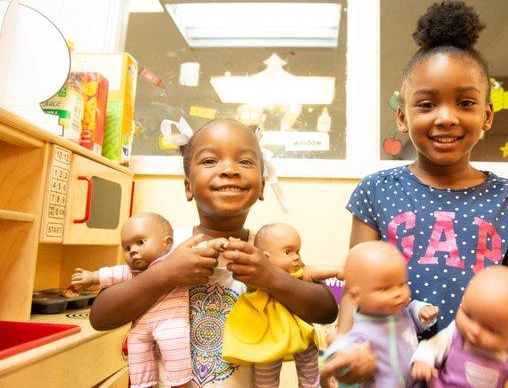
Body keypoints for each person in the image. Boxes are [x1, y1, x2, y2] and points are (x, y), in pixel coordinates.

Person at [321, 0, 508, 386]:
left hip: (475, 372)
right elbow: (355, 288)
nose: (446, 116)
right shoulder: (376, 191)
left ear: (487, 115)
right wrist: (346, 346)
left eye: (465, 103)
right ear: (403, 116)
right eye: (427, 104)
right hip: (389, 368)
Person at [89, 118, 338, 387]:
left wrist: (270, 277)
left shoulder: (269, 250)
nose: (229, 169)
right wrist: (166, 273)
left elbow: (325, 310)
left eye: (245, 161)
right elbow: (101, 316)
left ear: (263, 186)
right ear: (188, 186)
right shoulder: (165, 248)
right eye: (209, 161)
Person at [71, 212, 226, 388]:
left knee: (176, 351)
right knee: (138, 355)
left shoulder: (179, 255)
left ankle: (180, 383)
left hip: (170, 323)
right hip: (141, 327)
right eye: (127, 248)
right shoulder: (132, 273)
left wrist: (215, 244)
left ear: (167, 243)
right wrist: (90, 277)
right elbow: (108, 276)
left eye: (140, 242)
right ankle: (142, 384)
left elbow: (202, 249)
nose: (133, 251)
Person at [222, 222, 343, 388]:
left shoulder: (298, 274)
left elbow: (314, 271)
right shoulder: (257, 278)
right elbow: (242, 273)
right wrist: (235, 248)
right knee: (266, 376)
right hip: (270, 335)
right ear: (265, 257)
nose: (296, 257)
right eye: (288, 252)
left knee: (309, 372)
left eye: (298, 251)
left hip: (301, 332)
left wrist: (337, 271)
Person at [410, 266, 508, 388]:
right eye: (468, 315)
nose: (474, 331)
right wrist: (423, 361)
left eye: (490, 329)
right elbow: (432, 346)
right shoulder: (455, 334)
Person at [322, 241, 438, 387]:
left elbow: (413, 314)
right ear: (357, 296)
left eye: (402, 284)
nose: (397, 293)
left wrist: (422, 311)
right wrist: (342, 354)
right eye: (385, 288)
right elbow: (341, 350)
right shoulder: (361, 330)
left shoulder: (402, 314)